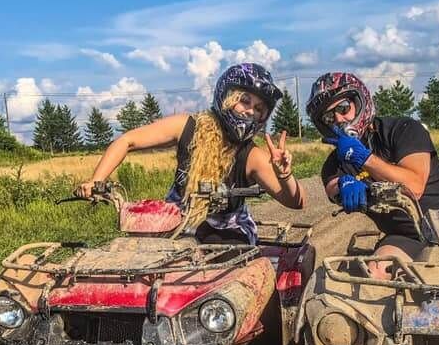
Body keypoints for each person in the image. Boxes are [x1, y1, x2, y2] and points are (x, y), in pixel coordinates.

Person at [75, 63, 305, 243]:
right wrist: (97, 180)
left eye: (258, 109)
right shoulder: (189, 126)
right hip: (172, 221)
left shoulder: (251, 155)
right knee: (135, 257)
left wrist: (285, 175)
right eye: (245, 101)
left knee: (222, 272)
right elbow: (127, 140)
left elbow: (295, 202)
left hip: (224, 231)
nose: (250, 112)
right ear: (227, 97)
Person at [307, 72, 439, 277]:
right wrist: (344, 186)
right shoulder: (333, 165)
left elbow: (415, 186)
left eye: (343, 108)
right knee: (374, 273)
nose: (339, 119)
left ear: (360, 102)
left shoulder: (403, 129)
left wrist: (363, 157)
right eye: (329, 117)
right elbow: (333, 187)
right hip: (409, 237)